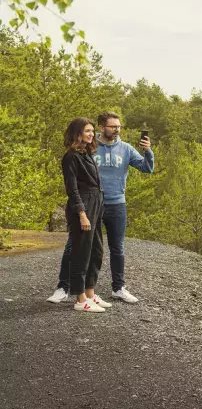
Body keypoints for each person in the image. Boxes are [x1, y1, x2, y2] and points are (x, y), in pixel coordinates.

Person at [47, 112, 154, 304]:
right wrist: (80, 210)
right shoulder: (89, 147)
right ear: (102, 127)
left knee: (114, 247)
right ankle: (64, 287)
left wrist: (148, 151)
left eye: (119, 127)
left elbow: (147, 168)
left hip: (116, 203)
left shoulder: (126, 149)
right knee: (75, 245)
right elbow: (72, 177)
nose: (117, 130)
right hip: (91, 205)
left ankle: (118, 288)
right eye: (113, 126)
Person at [61, 118, 110, 313]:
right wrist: (82, 214)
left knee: (96, 251)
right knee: (81, 253)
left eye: (92, 131)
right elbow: (72, 189)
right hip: (83, 205)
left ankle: (90, 293)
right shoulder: (71, 157)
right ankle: (80, 299)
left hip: (96, 204)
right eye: (87, 131)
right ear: (77, 133)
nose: (91, 134)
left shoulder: (86, 153)